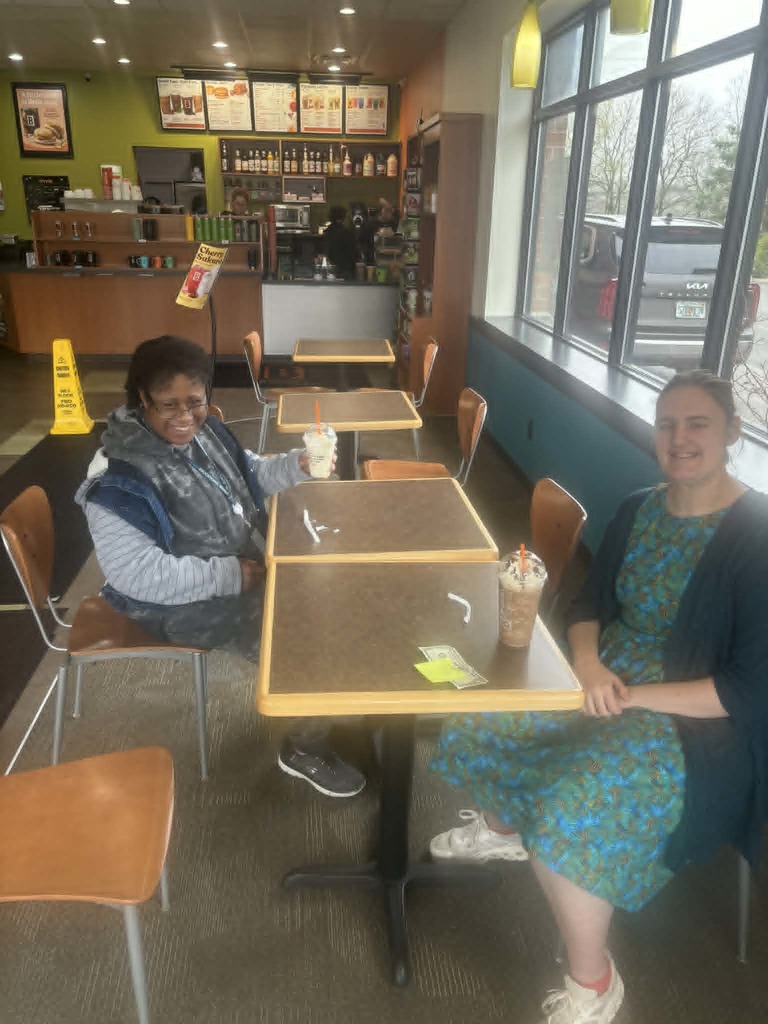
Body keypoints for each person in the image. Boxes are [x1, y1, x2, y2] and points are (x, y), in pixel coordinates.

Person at [427, 370, 768, 1024]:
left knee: (575, 803)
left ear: (732, 433)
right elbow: (588, 603)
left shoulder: (756, 536)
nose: (679, 437)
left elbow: (747, 692)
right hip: (606, 674)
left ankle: (594, 980)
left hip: (698, 721)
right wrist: (585, 662)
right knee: (485, 713)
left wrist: (633, 695)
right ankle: (504, 828)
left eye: (697, 423)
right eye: (667, 424)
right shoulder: (640, 508)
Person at [75, 335, 365, 798]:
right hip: (181, 605)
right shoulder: (114, 480)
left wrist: (298, 465)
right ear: (141, 399)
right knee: (305, 634)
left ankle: (333, 705)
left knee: (341, 587)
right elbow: (138, 576)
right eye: (168, 405)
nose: (185, 417)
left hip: (248, 563)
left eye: (195, 401)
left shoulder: (205, 433)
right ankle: (305, 746)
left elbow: (245, 475)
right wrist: (229, 575)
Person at [322, 205, 358, 279]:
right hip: (344, 270)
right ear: (343, 218)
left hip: (331, 269)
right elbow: (352, 253)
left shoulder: (327, 232)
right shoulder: (346, 233)